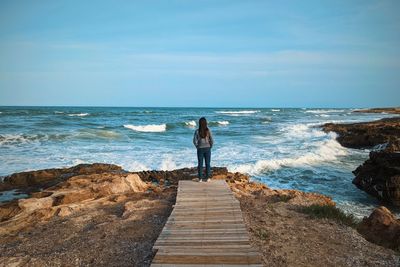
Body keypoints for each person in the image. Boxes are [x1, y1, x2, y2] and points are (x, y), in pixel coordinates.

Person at [193, 117, 214, 182]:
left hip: (200, 149)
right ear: (206, 123)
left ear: (199, 123)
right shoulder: (208, 130)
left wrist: (197, 146)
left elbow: (194, 141)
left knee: (200, 163)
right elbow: (212, 140)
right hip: (207, 148)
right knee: (208, 163)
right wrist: (210, 146)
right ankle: (208, 178)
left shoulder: (197, 131)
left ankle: (200, 178)